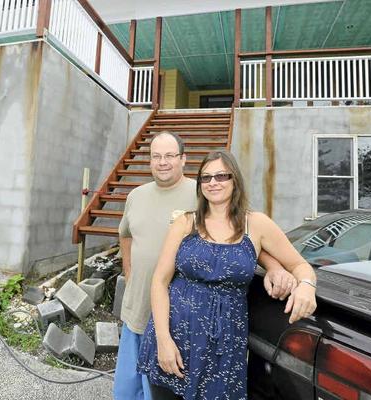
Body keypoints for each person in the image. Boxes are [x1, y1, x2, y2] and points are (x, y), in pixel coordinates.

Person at [113, 133, 298, 400]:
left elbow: (242, 238)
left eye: (169, 156)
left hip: (183, 316)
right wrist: (129, 274)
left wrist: (274, 267)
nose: (162, 162)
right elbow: (125, 235)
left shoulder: (202, 193)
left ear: (183, 159)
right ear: (149, 160)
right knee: (128, 389)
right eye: (156, 156)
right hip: (139, 308)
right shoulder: (136, 196)